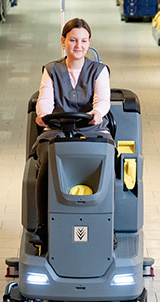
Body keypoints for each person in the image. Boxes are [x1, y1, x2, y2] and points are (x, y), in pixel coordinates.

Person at [29, 18, 111, 245]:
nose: (78, 46)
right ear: (63, 42)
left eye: (84, 41)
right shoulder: (51, 70)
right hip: (56, 131)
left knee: (108, 166)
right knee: (47, 162)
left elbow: (103, 100)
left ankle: (109, 226)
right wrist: (44, 114)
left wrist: (97, 112)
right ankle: (44, 227)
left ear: (89, 43)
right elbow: (45, 101)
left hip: (92, 130)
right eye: (73, 40)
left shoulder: (100, 71)